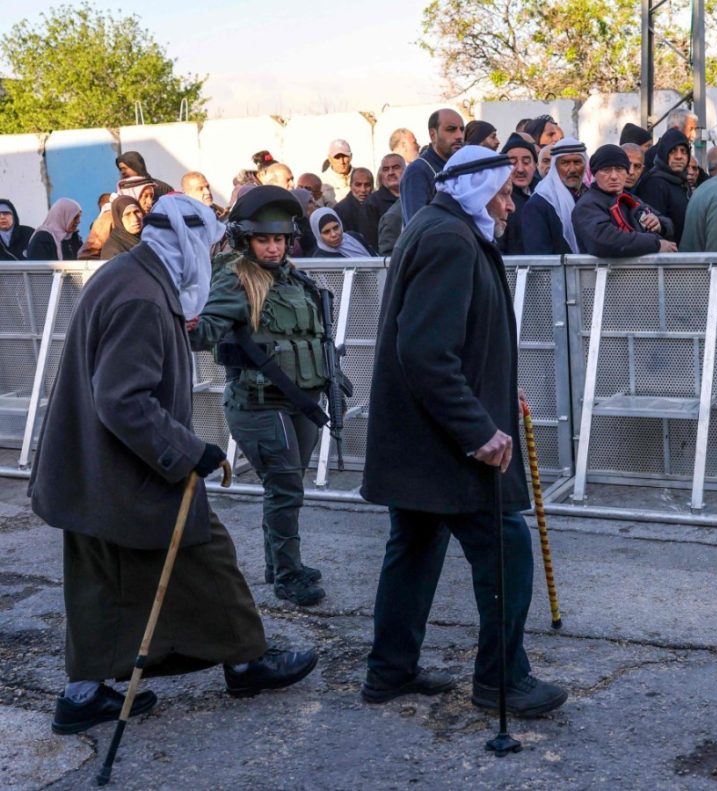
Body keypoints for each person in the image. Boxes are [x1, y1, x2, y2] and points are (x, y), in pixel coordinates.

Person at [28, 193, 317, 736]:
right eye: (205, 248)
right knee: (206, 551)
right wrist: (189, 452)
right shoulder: (139, 295)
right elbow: (123, 399)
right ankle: (246, 662)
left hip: (95, 468)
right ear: (185, 243)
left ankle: (82, 693)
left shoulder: (130, 276)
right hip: (123, 469)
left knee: (99, 579)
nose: (208, 259)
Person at [360, 145, 568, 716]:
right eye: (503, 194)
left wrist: (500, 388)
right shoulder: (449, 238)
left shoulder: (441, 228)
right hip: (447, 445)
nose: (509, 206)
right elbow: (426, 351)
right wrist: (479, 429)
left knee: (416, 549)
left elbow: (456, 336)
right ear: (478, 191)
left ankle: (390, 671)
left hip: (424, 438)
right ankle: (502, 681)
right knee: (507, 547)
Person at [188, 186, 329, 607]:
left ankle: (279, 563)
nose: (272, 247)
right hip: (257, 402)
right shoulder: (235, 278)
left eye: (280, 239)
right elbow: (204, 331)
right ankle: (288, 575)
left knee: (287, 486)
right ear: (245, 240)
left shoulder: (295, 278)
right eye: (264, 240)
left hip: (301, 401)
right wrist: (179, 316)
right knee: (285, 487)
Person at [572, 144, 675, 258]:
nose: (614, 176)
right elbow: (606, 241)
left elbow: (667, 223)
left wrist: (659, 224)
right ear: (594, 173)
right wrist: (656, 244)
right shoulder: (587, 205)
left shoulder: (631, 198)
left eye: (619, 169)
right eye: (606, 170)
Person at [521, 138, 587, 255]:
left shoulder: (590, 197)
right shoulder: (539, 204)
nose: (572, 169)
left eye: (577, 162)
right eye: (565, 163)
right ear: (555, 166)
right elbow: (539, 255)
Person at [399, 108, 465, 223]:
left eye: (462, 130)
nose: (459, 135)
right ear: (433, 134)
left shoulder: (460, 167)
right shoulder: (418, 171)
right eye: (451, 129)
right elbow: (417, 226)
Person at [635, 128, 691, 244]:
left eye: (683, 151)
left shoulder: (681, 181)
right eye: (673, 151)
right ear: (664, 153)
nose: (679, 156)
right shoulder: (654, 184)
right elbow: (651, 230)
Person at [497, 132, 538, 255]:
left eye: (526, 162)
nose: (520, 169)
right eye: (513, 163)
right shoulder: (498, 202)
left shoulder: (544, 196)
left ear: (535, 165)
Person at [364, 154, 404, 252]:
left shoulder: (415, 196)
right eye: (386, 169)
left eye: (396, 168)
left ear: (406, 170)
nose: (391, 173)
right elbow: (370, 242)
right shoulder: (372, 203)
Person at [333, 167, 375, 243]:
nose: (363, 190)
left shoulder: (376, 205)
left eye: (367, 185)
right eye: (358, 185)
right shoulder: (340, 210)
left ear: (372, 186)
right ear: (351, 185)